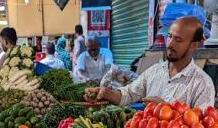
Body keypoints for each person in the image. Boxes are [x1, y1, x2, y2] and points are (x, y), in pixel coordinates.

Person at [85, 17, 215, 110]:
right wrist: (105, 92)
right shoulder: (154, 71)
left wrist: (169, 110)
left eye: (178, 40)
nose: (170, 44)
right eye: (169, 36)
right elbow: (128, 94)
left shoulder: (202, 83)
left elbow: (203, 127)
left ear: (194, 45)